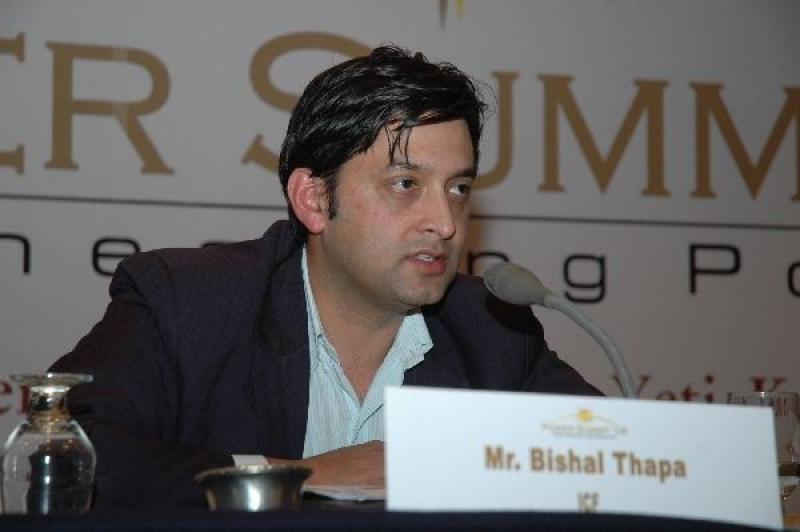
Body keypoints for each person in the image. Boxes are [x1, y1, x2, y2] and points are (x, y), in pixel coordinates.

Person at [50, 45, 601, 509]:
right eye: (406, 184)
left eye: (458, 188)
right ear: (314, 200)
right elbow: (65, 448)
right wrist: (297, 478)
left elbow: (610, 461)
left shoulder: (492, 330)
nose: (445, 222)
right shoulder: (185, 302)